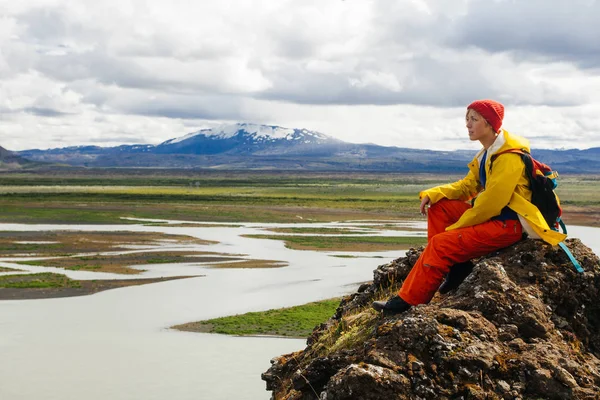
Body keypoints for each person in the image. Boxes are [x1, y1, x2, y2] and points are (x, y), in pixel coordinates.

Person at [372, 99, 567, 315]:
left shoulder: (508, 157)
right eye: (467, 118)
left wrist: (457, 227)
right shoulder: (487, 153)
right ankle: (458, 268)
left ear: (490, 124)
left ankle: (408, 301)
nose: (468, 124)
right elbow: (468, 187)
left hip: (510, 225)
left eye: (474, 119)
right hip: (496, 219)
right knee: (440, 207)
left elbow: (491, 203)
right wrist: (433, 194)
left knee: (440, 244)